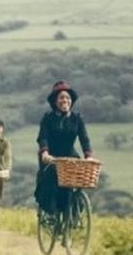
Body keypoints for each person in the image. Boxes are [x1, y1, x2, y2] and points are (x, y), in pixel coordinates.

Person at [35, 81, 93, 215]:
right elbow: (43, 137)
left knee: (73, 183)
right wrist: (44, 152)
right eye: (61, 97)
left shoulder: (77, 118)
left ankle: (71, 213)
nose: (65, 100)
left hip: (69, 155)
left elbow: (84, 138)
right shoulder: (47, 118)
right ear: (55, 101)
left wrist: (88, 155)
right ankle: (51, 212)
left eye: (68, 98)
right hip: (50, 156)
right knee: (51, 181)